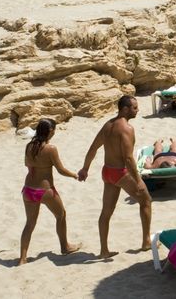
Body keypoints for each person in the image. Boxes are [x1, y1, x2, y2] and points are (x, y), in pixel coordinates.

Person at [78, 95, 152, 258]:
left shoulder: (107, 125)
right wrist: (138, 180)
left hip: (107, 172)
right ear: (125, 109)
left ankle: (104, 250)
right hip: (121, 173)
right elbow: (128, 158)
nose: (137, 110)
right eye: (134, 107)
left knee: (106, 212)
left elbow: (93, 148)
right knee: (146, 201)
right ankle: (146, 241)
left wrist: (85, 168)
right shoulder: (127, 128)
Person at [19, 119, 80, 264]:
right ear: (51, 131)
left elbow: (28, 165)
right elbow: (60, 170)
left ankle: (22, 258)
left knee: (30, 223)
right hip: (45, 190)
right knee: (61, 215)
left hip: (28, 190)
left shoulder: (29, 146)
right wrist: (74, 175)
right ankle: (65, 247)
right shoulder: (50, 148)